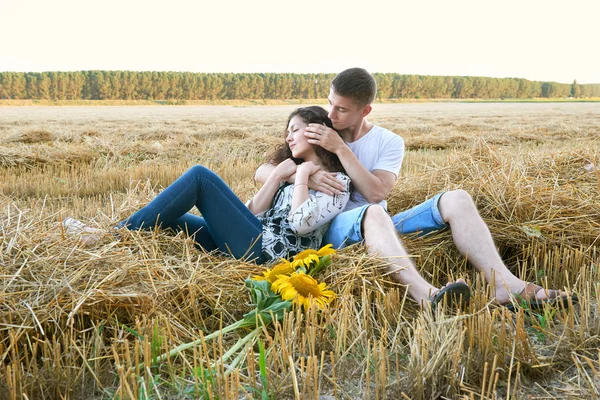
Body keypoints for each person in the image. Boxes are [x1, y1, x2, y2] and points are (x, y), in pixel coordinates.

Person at [256, 68, 574, 309]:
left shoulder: (388, 142)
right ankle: (427, 296)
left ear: (365, 110)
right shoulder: (319, 126)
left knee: (456, 199)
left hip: (378, 222)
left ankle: (507, 286)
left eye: (341, 109)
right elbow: (265, 169)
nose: (330, 114)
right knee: (372, 215)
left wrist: (341, 150)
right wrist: (306, 176)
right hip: (329, 227)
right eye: (329, 104)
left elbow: (378, 193)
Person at [64, 106, 351, 265]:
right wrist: (277, 177)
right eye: (287, 132)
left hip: (268, 255)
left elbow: (300, 224)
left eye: (295, 130)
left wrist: (302, 177)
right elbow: (253, 211)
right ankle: (112, 237)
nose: (288, 138)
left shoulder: (338, 183)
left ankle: (104, 238)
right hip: (254, 237)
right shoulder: (291, 172)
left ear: (315, 131)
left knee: (200, 177)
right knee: (170, 221)